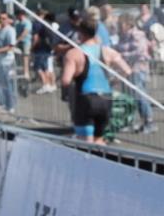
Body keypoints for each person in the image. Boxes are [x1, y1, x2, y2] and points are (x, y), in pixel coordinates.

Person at [61, 11, 132, 144]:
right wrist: (112, 81)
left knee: (85, 140)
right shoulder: (107, 51)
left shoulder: (73, 53)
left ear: (80, 33)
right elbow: (127, 70)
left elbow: (66, 80)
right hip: (105, 98)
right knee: (99, 139)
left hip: (85, 99)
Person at [116, 13, 156, 134]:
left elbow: (140, 51)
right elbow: (119, 48)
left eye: (121, 23)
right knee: (128, 97)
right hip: (127, 70)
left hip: (138, 69)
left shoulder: (137, 34)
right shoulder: (123, 36)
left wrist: (122, 56)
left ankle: (149, 122)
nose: (119, 26)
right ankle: (129, 122)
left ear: (128, 24)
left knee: (140, 96)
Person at [0, 12, 18, 113]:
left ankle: (10, 106)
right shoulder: (0, 30)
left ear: (9, 20)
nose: (1, 20)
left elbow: (11, 46)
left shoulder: (10, 30)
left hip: (6, 62)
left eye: (4, 18)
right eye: (0, 18)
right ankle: (2, 104)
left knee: (6, 84)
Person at [14, 9, 33, 85]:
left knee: (25, 56)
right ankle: (18, 71)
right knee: (17, 56)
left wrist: (16, 41)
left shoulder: (27, 22)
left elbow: (25, 33)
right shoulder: (17, 23)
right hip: (19, 42)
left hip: (26, 42)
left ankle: (26, 72)